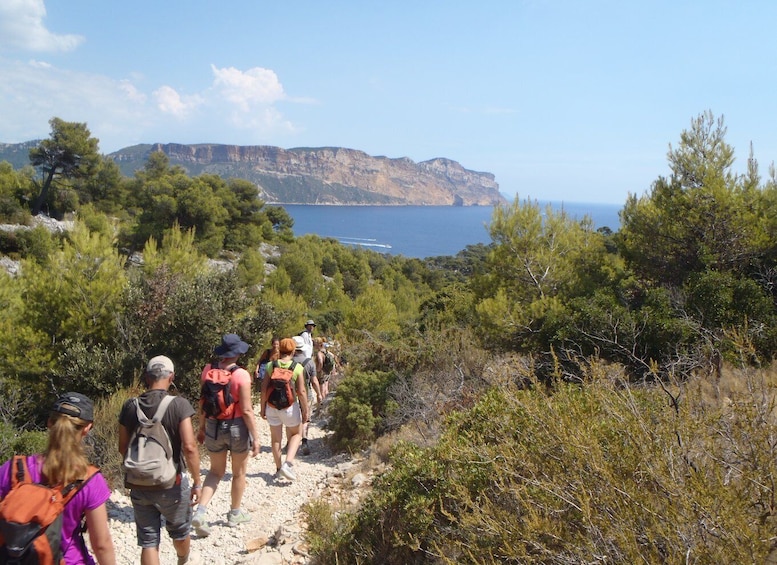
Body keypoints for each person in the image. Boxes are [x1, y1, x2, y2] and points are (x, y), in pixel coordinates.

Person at [0, 392, 116, 565]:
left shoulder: (14, 468)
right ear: (87, 428)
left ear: (49, 422)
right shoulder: (90, 480)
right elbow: (101, 544)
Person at [118, 356, 202, 565]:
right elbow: (190, 447)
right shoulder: (179, 405)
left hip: (139, 484)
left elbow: (122, 447)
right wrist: (197, 482)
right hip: (171, 483)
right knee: (180, 531)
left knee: (148, 541)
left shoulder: (130, 406)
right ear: (171, 377)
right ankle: (182, 560)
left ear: (147, 377)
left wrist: (141, 468)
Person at [192, 334, 260, 536]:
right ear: (238, 353)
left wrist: (202, 428)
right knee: (238, 472)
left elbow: (203, 402)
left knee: (214, 472)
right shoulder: (241, 375)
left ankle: (200, 512)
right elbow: (247, 410)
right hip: (236, 426)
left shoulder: (208, 370)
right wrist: (256, 437)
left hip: (213, 424)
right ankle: (234, 514)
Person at [261, 337, 309, 480]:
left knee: (276, 439)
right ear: (293, 350)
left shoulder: (271, 365)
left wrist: (262, 408)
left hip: (272, 406)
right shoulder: (297, 367)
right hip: (289, 407)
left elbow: (263, 389)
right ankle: (287, 464)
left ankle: (278, 469)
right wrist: (305, 410)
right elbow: (301, 391)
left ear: (279, 349)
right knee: (297, 434)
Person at [293, 335, 318, 455]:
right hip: (306, 393)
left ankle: (291, 442)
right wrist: (319, 394)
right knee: (305, 418)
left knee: (293, 419)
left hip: (290, 395)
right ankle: (304, 440)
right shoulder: (309, 362)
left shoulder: (288, 362)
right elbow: (314, 381)